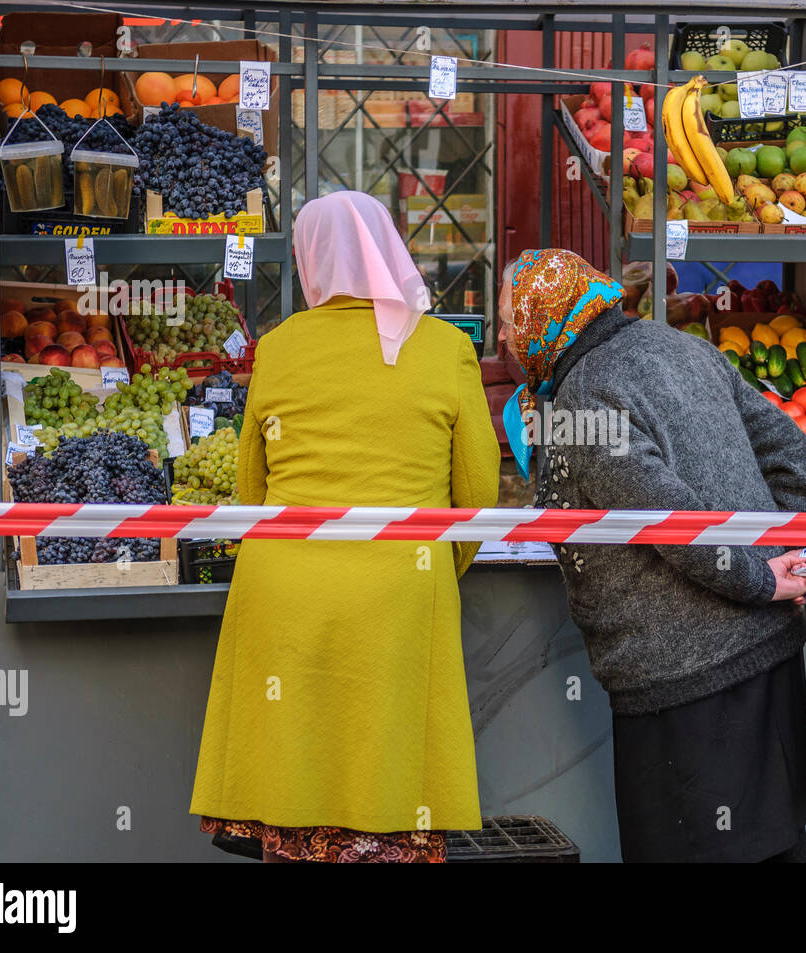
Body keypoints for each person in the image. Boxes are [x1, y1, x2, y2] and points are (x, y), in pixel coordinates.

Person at [190, 191, 501, 863]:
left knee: (296, 775)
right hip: (398, 589)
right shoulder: (446, 347)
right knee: (388, 779)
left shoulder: (276, 349)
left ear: (311, 259)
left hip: (285, 587)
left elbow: (252, 491)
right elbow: (477, 494)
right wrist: (431, 568)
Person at [499, 249, 806, 863]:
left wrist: (765, 578)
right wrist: (793, 554)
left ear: (539, 319)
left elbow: (670, 518)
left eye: (508, 321)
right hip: (767, 662)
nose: (501, 337)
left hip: (686, 688)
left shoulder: (579, 401)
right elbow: (785, 441)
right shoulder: (684, 348)